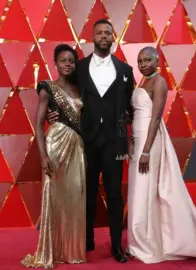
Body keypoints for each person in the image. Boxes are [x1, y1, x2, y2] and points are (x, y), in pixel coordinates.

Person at [126, 46, 196, 263]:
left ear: (157, 61)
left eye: (148, 60)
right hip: (139, 140)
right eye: (140, 61)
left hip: (150, 141)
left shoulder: (159, 83)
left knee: (148, 188)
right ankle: (142, 240)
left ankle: (148, 243)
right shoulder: (143, 82)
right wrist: (133, 141)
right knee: (139, 188)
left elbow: (155, 119)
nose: (143, 64)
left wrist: (146, 150)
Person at [47, 19, 135, 263]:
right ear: (93, 37)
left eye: (108, 32)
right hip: (84, 141)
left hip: (115, 143)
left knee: (115, 195)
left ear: (113, 37)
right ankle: (85, 241)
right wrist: (50, 111)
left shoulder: (126, 71)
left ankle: (117, 245)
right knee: (85, 193)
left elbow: (129, 105)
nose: (104, 36)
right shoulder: (79, 68)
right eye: (100, 33)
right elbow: (64, 92)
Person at [21, 44, 86, 268]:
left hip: (77, 147)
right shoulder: (47, 88)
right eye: (63, 60)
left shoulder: (80, 89)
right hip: (55, 146)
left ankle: (70, 251)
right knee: (54, 197)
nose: (67, 64)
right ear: (55, 63)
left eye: (71, 60)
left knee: (73, 198)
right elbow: (38, 124)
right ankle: (50, 250)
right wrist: (43, 157)